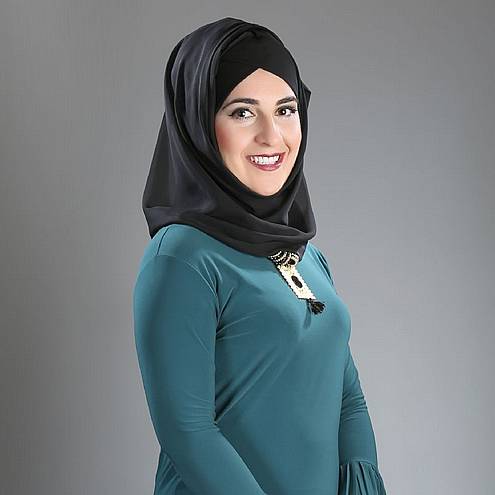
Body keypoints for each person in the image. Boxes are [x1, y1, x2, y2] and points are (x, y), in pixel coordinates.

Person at [133, 16, 387, 495]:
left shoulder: (308, 258)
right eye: (243, 112)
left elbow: (347, 399)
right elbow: (188, 432)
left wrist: (362, 482)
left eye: (286, 109)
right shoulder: (182, 258)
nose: (273, 135)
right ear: (198, 123)